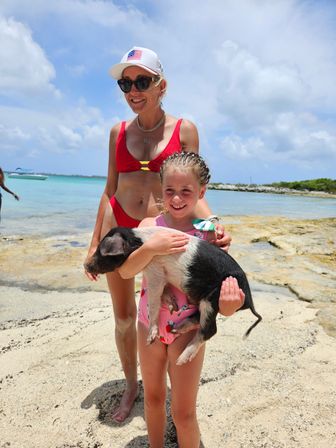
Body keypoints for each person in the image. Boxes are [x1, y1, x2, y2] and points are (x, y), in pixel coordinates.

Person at [84, 46, 242, 423]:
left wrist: (213, 226)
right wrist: (94, 247)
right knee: (123, 317)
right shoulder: (117, 131)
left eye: (142, 81)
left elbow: (192, 192)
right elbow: (108, 190)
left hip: (162, 235)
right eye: (126, 83)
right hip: (122, 229)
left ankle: (168, 389)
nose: (133, 90)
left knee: (164, 311)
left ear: (161, 85)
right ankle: (132, 386)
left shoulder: (184, 129)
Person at [118, 152, 245, 447]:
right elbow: (126, 271)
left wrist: (229, 304)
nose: (176, 198)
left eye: (186, 191)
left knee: (184, 412)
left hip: (185, 332)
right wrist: (151, 247)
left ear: (201, 192)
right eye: (169, 191)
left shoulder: (209, 233)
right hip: (147, 323)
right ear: (160, 189)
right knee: (152, 398)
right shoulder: (150, 223)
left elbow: (220, 300)